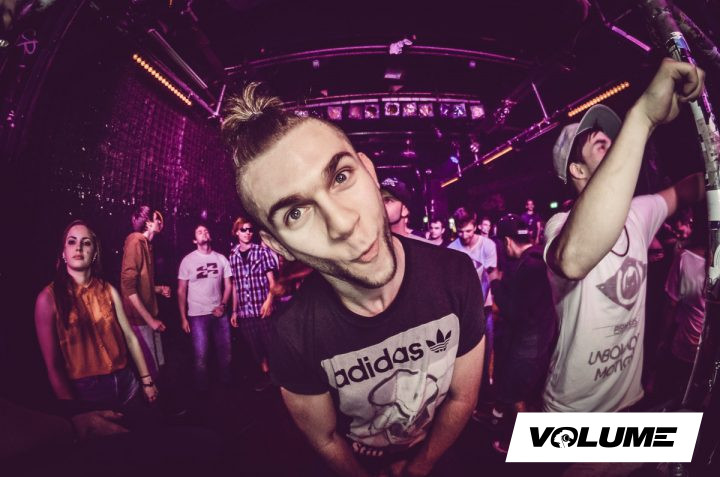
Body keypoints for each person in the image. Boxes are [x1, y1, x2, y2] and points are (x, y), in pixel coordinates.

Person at [221, 82, 485, 477]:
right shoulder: (293, 336)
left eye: (341, 177)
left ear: (370, 171)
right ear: (277, 244)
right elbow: (326, 439)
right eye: (295, 214)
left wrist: (422, 465)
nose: (342, 224)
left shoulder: (455, 274)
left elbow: (462, 398)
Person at [543, 58, 705, 412]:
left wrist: (714, 162)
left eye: (612, 141)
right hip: (573, 410)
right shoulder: (559, 225)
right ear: (576, 169)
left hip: (630, 400)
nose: (613, 145)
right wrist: (643, 117)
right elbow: (573, 261)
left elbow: (688, 189)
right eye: (600, 144)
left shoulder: (638, 212)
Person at [34, 220, 158, 408]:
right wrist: (74, 413)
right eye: (72, 242)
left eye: (86, 243)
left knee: (144, 426)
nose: (79, 247)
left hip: (127, 382)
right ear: (63, 253)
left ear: (94, 253)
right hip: (87, 392)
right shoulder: (47, 299)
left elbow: (130, 338)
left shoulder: (109, 290)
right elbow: (53, 366)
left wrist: (146, 380)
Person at [488, 214, 557, 453]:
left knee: (516, 395)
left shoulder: (530, 267)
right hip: (537, 340)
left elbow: (514, 311)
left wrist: (495, 283)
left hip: (528, 346)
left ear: (508, 241)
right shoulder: (539, 258)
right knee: (519, 391)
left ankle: (523, 443)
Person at [177, 224, 233, 392]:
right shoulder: (188, 260)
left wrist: (223, 305)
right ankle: (202, 394)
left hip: (219, 314)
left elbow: (229, 286)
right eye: (199, 232)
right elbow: (181, 290)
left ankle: (227, 391)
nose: (204, 233)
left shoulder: (221, 259)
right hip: (197, 315)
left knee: (226, 355)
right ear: (195, 240)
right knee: (201, 357)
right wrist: (183, 317)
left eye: (206, 231)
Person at [120, 206, 171, 380]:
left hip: (150, 316)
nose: (161, 222)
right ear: (148, 223)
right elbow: (128, 287)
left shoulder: (147, 245)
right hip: (141, 320)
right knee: (151, 371)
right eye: (157, 219)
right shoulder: (135, 242)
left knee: (160, 365)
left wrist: (159, 289)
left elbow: (142, 284)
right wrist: (150, 321)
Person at [228, 216, 278, 390]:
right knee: (256, 349)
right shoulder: (232, 256)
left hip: (263, 309)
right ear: (236, 232)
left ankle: (280, 379)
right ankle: (267, 376)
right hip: (245, 313)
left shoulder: (261, 252)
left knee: (272, 346)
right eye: (243, 229)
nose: (248, 233)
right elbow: (235, 286)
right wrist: (234, 311)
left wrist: (269, 301)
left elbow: (272, 283)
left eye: (250, 230)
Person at [381, 177, 431, 242]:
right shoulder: (372, 244)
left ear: (404, 210)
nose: (381, 205)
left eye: (388, 200)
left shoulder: (421, 245)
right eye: (379, 200)